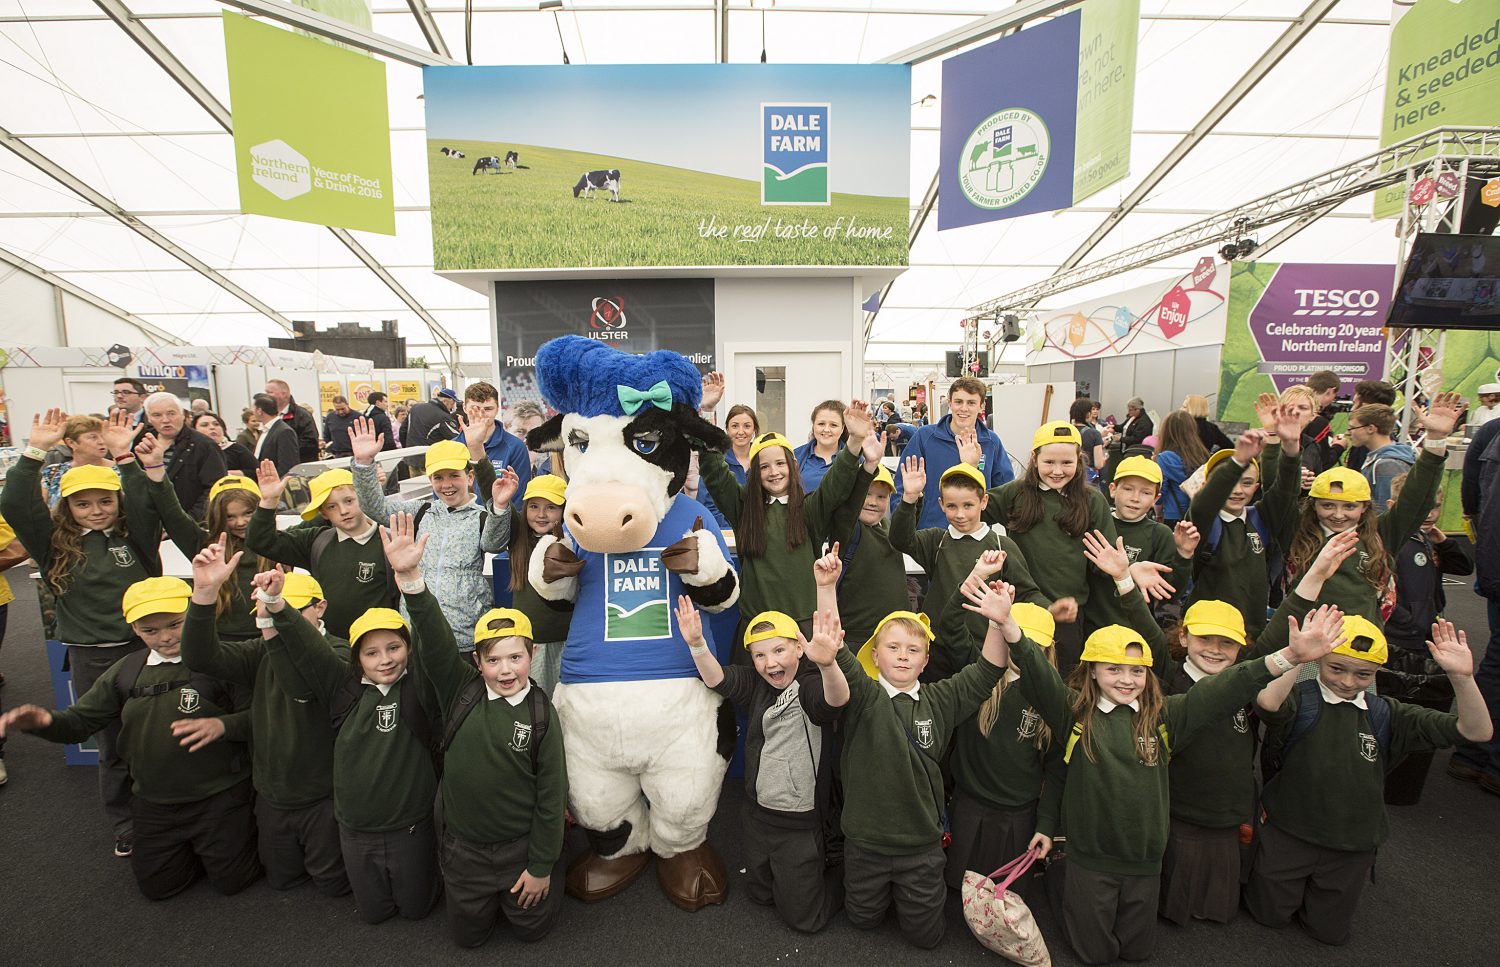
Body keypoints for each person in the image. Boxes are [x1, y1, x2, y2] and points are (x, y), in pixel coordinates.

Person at [989, 532, 1344, 966]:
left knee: (1138, 950)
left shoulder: (1168, 716)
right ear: (1092, 673)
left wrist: (1290, 656)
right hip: (1089, 860)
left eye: (1136, 671)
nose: (1125, 679)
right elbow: (1038, 675)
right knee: (1094, 951)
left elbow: (1236, 683)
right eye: (1112, 669)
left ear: (1149, 673)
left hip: (1145, 862)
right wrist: (1008, 626)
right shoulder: (1072, 714)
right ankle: (1067, 898)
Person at [0, 575, 260, 899]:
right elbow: (80, 723)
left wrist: (223, 727)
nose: (164, 638)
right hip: (154, 800)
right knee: (159, 888)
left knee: (233, 882)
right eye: (150, 630)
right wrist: (43, 722)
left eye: (175, 624)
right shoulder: (126, 671)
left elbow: (261, 719)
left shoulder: (226, 662)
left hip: (220, 796)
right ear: (134, 630)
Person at [1246, 615, 1493, 945]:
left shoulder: (1389, 714)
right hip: (1289, 831)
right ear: (1320, 660)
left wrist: (1462, 678)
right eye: (1336, 669)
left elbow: (1477, 731)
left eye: (1363, 673)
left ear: (1377, 673)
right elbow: (1267, 703)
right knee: (1268, 915)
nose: (1348, 681)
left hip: (1352, 843)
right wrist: (1299, 654)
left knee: (1328, 932)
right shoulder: (1300, 698)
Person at [381, 514, 567, 946]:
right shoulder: (459, 692)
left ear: (531, 654)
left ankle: (551, 875)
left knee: (532, 932)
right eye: (494, 660)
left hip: (520, 848)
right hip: (464, 850)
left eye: (515, 658)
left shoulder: (542, 713)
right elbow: (434, 635)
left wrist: (540, 867)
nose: (506, 670)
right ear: (476, 662)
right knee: (468, 938)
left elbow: (551, 795)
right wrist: (410, 577)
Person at [1159, 533, 1355, 927]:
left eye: (1227, 644)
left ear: (1242, 648)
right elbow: (1135, 618)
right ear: (1184, 637)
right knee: (1172, 887)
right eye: (1205, 639)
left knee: (1218, 895)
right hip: (1178, 809)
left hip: (1229, 809)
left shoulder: (1245, 678)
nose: (1215, 649)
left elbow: (1284, 623)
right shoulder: (1169, 679)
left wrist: (1316, 572)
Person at [1, 408, 165, 857]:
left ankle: (168, 811)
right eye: (83, 503)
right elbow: (15, 503)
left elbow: (146, 500)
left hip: (145, 652)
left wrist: (123, 457)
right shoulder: (54, 545)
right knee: (111, 745)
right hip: (94, 658)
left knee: (159, 735)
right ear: (68, 507)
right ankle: (125, 823)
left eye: (105, 501)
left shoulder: (136, 537)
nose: (96, 511)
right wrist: (33, 452)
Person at [255, 553, 441, 925]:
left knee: (417, 909)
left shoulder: (422, 687)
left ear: (408, 649)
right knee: (373, 914)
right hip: (356, 829)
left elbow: (437, 642)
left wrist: (411, 580)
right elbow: (306, 644)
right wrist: (275, 604)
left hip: (411, 825)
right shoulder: (342, 687)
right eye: (371, 652)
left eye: (394, 648)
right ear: (356, 658)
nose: (385, 660)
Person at [833, 584, 1016, 948]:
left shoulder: (941, 699)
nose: (903, 656)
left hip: (920, 849)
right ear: (874, 654)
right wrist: (826, 587)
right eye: (894, 647)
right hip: (865, 844)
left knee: (927, 937)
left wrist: (999, 621)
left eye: (914, 650)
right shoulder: (862, 695)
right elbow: (834, 648)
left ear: (926, 660)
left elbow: (989, 669)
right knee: (862, 920)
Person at [677, 553, 849, 933]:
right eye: (759, 654)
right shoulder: (756, 683)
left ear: (799, 650)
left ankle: (842, 877)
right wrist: (697, 644)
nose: (770, 662)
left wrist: (828, 664)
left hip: (799, 823)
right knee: (759, 892)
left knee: (805, 920)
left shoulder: (810, 685)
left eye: (778, 650)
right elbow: (717, 679)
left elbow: (836, 700)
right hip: (756, 815)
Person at [182, 541, 350, 896]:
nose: (272, 619)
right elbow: (200, 657)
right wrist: (204, 593)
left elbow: (303, 682)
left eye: (287, 609)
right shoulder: (259, 651)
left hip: (324, 797)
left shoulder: (339, 652)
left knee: (333, 885)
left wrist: (277, 613)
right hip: (272, 796)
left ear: (320, 608)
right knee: (281, 880)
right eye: (265, 611)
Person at [934, 553, 1061, 897]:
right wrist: (975, 576)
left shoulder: (1054, 697)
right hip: (968, 804)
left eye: (1033, 644)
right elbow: (948, 627)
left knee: (1005, 894)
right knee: (958, 890)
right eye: (1015, 637)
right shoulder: (978, 670)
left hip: (1018, 815)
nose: (1023, 650)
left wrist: (1047, 824)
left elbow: (1056, 770)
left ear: (1047, 650)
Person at [698, 403, 881, 637]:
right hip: (757, 624)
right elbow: (714, 473)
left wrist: (855, 440)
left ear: (793, 466)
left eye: (780, 463)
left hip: (803, 624)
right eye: (764, 466)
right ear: (754, 473)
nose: (774, 472)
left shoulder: (809, 508)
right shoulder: (744, 508)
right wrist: (706, 412)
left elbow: (836, 483)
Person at [1284, 393, 1462, 626]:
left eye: (1350, 506)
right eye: (1327, 505)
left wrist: (1436, 440)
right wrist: (1286, 447)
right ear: (1313, 505)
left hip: (1359, 648)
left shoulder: (1380, 534)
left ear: (1365, 508)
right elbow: (1277, 496)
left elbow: (1416, 498)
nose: (1338, 515)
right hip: (1304, 646)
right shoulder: (1298, 531)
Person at [349, 416, 514, 653]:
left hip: (464, 634)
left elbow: (495, 544)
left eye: (453, 475)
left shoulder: (479, 516)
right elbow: (376, 508)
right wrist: (364, 465)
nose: (446, 484)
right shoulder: (420, 512)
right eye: (438, 477)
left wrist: (498, 508)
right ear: (430, 480)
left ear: (469, 477)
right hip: (419, 630)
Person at [981, 422, 1122, 670]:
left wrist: (1128, 571)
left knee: (1063, 684)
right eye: (1049, 462)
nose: (1057, 471)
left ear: (1079, 461)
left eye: (1067, 463)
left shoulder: (1093, 502)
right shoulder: (1016, 494)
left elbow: (1107, 561)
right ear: (1035, 459)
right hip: (1021, 612)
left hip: (1069, 616)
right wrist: (972, 467)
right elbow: (971, 509)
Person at [890, 460, 1046, 681]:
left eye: (968, 505)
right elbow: (899, 539)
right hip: (937, 648)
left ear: (983, 502)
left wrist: (1052, 611)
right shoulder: (937, 540)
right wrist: (910, 499)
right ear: (941, 504)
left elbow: (1028, 592)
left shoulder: (1002, 546)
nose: (960, 514)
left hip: (983, 649)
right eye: (952, 506)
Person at [1186, 404, 1302, 640]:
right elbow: (1203, 503)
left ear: (1256, 488)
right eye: (1230, 482)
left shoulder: (1260, 518)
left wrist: (1290, 448)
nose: (1237, 490)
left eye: (1247, 483)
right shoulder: (1205, 520)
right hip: (1208, 631)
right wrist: (1237, 461)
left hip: (1250, 631)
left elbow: (1286, 491)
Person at [247, 462, 393, 640]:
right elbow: (260, 541)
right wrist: (269, 502)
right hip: (332, 646)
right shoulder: (317, 541)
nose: (343, 511)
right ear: (323, 513)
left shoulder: (390, 541)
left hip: (379, 646)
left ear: (362, 497)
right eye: (332, 507)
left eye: (349, 501)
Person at [1087, 455, 1197, 629]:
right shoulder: (1097, 521)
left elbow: (1172, 590)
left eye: (1145, 492)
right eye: (1128, 489)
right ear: (1113, 489)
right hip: (1091, 624)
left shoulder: (1160, 534)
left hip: (1135, 629)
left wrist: (1184, 554)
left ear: (1155, 498)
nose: (1135, 498)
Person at [892, 377, 1013, 528]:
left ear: (982, 406)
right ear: (949, 403)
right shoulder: (925, 438)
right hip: (930, 534)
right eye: (958, 402)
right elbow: (901, 486)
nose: (964, 408)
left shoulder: (991, 443)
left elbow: (1005, 495)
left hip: (973, 538)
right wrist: (903, 523)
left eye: (971, 403)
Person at [823, 465, 909, 652]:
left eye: (881, 497)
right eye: (867, 494)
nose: (872, 502)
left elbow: (907, 524)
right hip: (858, 638)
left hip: (894, 635)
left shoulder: (888, 527)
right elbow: (846, 510)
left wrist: (913, 497)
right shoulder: (848, 528)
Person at [506, 474, 572, 694]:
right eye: (534, 506)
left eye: (551, 507)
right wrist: (478, 454)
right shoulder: (517, 534)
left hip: (567, 639)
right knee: (537, 698)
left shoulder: (572, 541)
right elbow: (492, 494)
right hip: (531, 641)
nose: (541, 514)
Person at [138, 391, 226, 520]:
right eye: (157, 415)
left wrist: (187, 522)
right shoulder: (142, 443)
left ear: (182, 415)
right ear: (149, 418)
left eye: (171, 413)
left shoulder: (204, 446)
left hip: (191, 523)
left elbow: (215, 489)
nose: (165, 420)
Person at [453, 382, 531, 508]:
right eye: (475, 408)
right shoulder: (452, 447)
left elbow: (519, 498)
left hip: (500, 521)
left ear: (498, 408)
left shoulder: (515, 447)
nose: (482, 414)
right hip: (461, 523)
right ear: (464, 408)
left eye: (488, 409)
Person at [39, 414, 115, 508]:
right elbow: (39, 508)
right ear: (71, 443)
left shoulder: (120, 471)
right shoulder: (53, 473)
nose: (101, 441)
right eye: (93, 437)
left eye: (103, 436)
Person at [1348, 403, 1413, 506]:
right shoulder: (1378, 458)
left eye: (1352, 428)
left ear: (1371, 429)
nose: (1348, 433)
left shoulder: (1388, 465)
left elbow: (1386, 509)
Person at [1154, 409, 1210, 525]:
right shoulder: (1203, 455)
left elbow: (1159, 493)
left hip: (1173, 515)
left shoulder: (1165, 458)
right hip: (1199, 514)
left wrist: (1158, 513)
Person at [1339, 380, 1397, 473]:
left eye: (1354, 404)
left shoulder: (1367, 443)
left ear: (1365, 406)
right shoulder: (1386, 441)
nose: (1352, 409)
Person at [793, 400, 847, 492]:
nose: (826, 429)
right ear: (813, 426)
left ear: (842, 428)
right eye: (821, 424)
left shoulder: (854, 459)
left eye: (833, 425)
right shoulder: (795, 456)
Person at [264, 379, 320, 463]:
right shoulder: (269, 417)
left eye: (270, 392)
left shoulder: (302, 416)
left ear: (284, 394)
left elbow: (310, 443)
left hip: (298, 468)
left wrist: (283, 449)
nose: (266, 396)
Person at [192, 411, 256, 477]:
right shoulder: (190, 452)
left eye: (216, 424)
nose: (212, 427)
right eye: (204, 425)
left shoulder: (237, 449)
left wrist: (227, 474)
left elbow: (256, 472)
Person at [404, 387, 461, 461]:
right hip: (430, 461)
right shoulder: (443, 417)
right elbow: (457, 441)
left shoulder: (415, 408)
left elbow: (403, 430)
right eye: (453, 403)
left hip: (410, 458)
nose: (452, 407)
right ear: (445, 401)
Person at [251, 393, 300, 477]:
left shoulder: (284, 432)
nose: (252, 411)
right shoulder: (264, 430)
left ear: (259, 411)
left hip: (276, 485)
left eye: (253, 408)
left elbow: (287, 466)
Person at [722, 404, 759, 484]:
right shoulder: (716, 461)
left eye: (747, 426)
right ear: (728, 429)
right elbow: (705, 496)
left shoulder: (763, 459)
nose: (741, 432)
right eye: (735, 426)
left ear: (754, 429)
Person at [1072, 398, 1106, 480]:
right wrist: (1104, 459)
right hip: (1087, 477)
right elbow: (1099, 464)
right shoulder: (1094, 433)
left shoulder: (1066, 430)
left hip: (1070, 474)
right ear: (1087, 414)